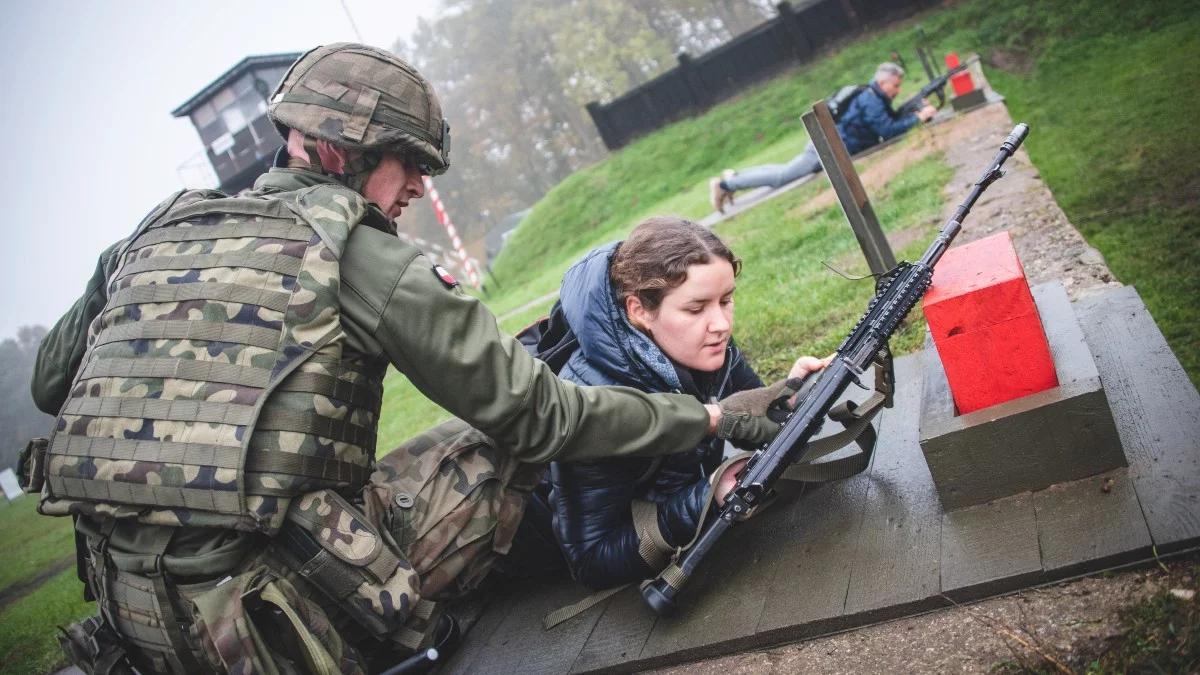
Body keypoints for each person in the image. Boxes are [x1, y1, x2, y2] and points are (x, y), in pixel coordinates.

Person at [23, 44, 793, 674]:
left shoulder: (150, 233)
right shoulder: (362, 255)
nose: (420, 186)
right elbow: (542, 417)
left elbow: (51, 382)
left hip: (135, 606)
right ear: (334, 149)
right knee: (494, 457)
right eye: (406, 162)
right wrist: (709, 415)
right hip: (266, 627)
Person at [543, 217, 830, 589]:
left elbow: (758, 436)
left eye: (726, 301)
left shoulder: (704, 347)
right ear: (640, 311)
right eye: (696, 309)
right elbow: (590, 562)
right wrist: (707, 498)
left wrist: (791, 398)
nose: (721, 324)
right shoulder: (589, 401)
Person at [709, 62, 937, 213]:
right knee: (783, 176)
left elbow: (887, 123)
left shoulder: (872, 97)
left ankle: (736, 177)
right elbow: (887, 131)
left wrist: (913, 111)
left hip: (833, 145)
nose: (897, 90)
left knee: (784, 170)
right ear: (881, 82)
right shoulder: (871, 99)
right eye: (895, 85)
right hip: (827, 147)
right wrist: (918, 118)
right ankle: (725, 184)